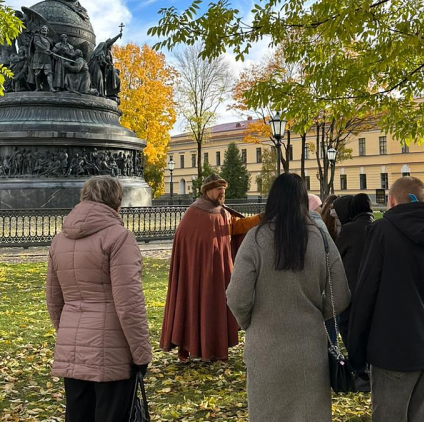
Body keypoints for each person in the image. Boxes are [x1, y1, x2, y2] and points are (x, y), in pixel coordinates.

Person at [227, 173, 350, 422]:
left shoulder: (256, 238)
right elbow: (341, 292)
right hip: (309, 345)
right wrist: (317, 312)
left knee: (268, 414)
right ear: (303, 201)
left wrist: (252, 321)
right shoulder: (321, 237)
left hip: (265, 345)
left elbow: (237, 296)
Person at [348, 176, 424, 422]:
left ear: (392, 200)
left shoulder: (382, 230)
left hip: (391, 349)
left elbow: (366, 291)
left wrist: (356, 349)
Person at [46, 177, 152, 422]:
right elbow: (129, 303)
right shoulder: (119, 237)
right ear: (116, 203)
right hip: (111, 350)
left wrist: (68, 334)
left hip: (73, 346)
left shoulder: (59, 240)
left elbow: (53, 298)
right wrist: (141, 354)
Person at [160, 173, 262, 362]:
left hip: (218, 270)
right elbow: (184, 239)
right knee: (191, 302)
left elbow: (237, 226)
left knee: (215, 306)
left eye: (224, 190)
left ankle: (215, 347)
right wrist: (195, 262)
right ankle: (186, 347)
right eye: (219, 190)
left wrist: (260, 218)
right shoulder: (195, 212)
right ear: (208, 191)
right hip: (195, 273)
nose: (222, 193)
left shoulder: (222, 212)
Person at [332, 193, 374, 346]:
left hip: (352, 287)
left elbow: (336, 254)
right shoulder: (376, 226)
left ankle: (357, 366)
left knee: (348, 328)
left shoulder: (350, 229)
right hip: (371, 288)